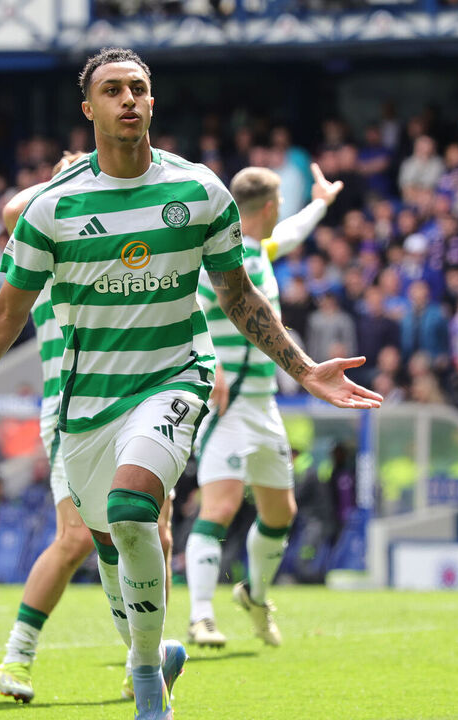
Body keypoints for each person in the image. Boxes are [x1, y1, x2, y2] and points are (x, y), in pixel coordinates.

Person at [0, 48, 381, 720]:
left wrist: (302, 368)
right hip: (84, 404)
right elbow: (3, 316)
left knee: (132, 509)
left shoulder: (200, 191)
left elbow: (238, 295)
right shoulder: (52, 210)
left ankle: (143, 667)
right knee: (108, 543)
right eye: (112, 90)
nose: (129, 100)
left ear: (153, 101)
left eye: (139, 88)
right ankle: (150, 646)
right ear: (89, 109)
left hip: (175, 377)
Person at [0, 151, 177, 706]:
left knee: (153, 534)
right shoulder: (55, 234)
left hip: (141, 397)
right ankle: (18, 653)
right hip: (75, 409)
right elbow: (12, 211)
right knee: (75, 538)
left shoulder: (119, 240)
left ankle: (143, 659)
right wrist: (69, 175)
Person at [186, 163, 343, 649]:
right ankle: (200, 616)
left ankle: (254, 595)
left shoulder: (260, 249)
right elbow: (187, 306)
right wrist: (209, 363)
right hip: (227, 405)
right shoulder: (218, 259)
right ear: (270, 206)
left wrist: (321, 202)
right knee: (221, 507)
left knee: (281, 513)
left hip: (264, 405)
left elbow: (291, 235)